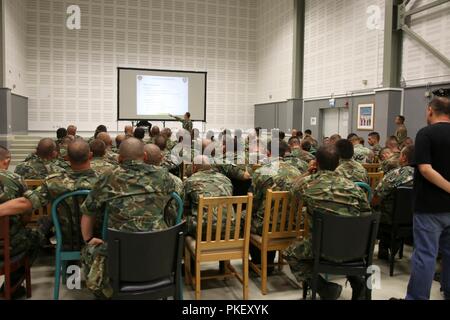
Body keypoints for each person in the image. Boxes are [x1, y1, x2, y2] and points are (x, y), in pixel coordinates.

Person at [80, 138, 177, 299]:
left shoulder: (108, 176)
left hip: (120, 255)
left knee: (87, 250)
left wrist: (88, 239)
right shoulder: (164, 176)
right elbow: (170, 205)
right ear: (145, 156)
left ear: (119, 158)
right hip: (158, 251)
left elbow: (89, 211)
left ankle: (105, 290)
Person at [283, 145, 372, 300]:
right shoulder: (354, 188)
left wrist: (307, 172)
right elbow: (367, 215)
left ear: (316, 162)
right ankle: (358, 282)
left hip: (322, 248)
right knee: (344, 244)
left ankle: (324, 288)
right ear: (338, 163)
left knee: (290, 254)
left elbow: (291, 190)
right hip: (355, 248)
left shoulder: (309, 184)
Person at [0, 140, 99, 253]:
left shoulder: (54, 182)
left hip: (67, 239)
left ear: (67, 158)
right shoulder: (104, 181)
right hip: (98, 238)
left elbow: (24, 203)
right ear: (90, 156)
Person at [405, 97, 450, 300]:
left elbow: (424, 168)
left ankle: (417, 297)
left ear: (430, 110)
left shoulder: (426, 133)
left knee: (425, 255)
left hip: (429, 207)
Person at [251, 140, 302, 270]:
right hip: (292, 225)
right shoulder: (297, 172)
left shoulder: (262, 172)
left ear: (268, 153)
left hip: (267, 226)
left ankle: (259, 262)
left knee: (245, 217)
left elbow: (254, 204)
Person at [0, 146, 41, 298]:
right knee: (35, 236)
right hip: (8, 245)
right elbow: (26, 214)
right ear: (7, 160)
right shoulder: (15, 179)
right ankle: (12, 285)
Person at [372, 145, 415, 259]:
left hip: (390, 219)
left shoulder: (395, 174)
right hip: (416, 220)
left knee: (373, 209)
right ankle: (394, 244)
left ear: (404, 157)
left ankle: (384, 246)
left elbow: (376, 198)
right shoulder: (426, 175)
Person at [183, 155, 234, 237]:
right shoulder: (226, 179)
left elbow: (184, 207)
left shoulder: (190, 181)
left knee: (180, 220)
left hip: (203, 231)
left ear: (194, 167)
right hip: (228, 228)